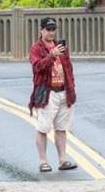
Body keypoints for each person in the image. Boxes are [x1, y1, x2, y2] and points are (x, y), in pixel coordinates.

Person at [29, 16, 77, 172]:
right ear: (41, 30)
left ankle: (63, 160)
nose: (51, 32)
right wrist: (51, 55)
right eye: (48, 29)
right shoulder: (36, 48)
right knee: (43, 127)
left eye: (53, 29)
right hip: (47, 93)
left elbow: (69, 69)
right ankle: (43, 161)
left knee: (62, 128)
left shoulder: (61, 47)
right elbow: (37, 67)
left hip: (64, 91)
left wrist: (72, 89)